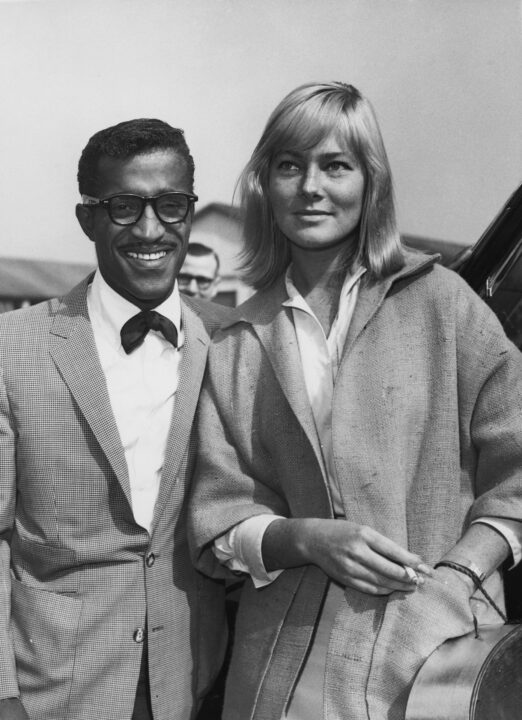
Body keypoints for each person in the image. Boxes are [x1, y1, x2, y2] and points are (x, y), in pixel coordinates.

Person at [189, 82, 522, 720]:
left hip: (436, 662)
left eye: (335, 165)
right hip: (279, 674)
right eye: (289, 166)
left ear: (371, 182)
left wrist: (458, 576)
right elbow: (217, 512)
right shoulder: (237, 339)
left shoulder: (443, 304)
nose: (311, 187)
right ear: (264, 183)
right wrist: (306, 538)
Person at [0, 119, 230, 720]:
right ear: (88, 219)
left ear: (189, 210)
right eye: (124, 207)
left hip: (192, 682)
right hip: (52, 690)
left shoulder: (230, 345)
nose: (150, 229)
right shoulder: (12, 348)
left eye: (171, 205)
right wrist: (3, 695)